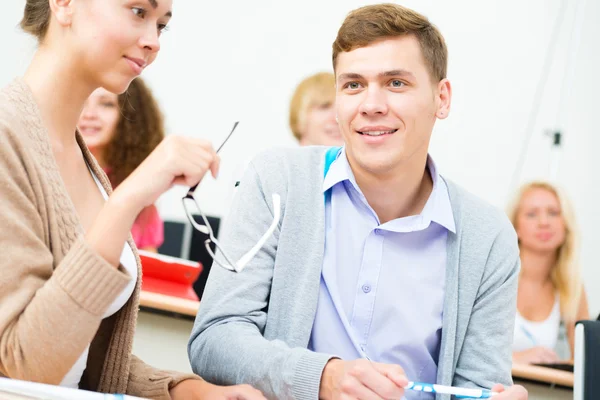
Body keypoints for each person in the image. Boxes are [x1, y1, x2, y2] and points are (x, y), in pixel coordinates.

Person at [189, 3, 527, 400]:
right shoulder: (277, 179)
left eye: (396, 83)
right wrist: (322, 378)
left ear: (442, 98)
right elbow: (215, 338)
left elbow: (479, 388)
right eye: (353, 85)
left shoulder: (487, 237)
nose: (371, 104)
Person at [0, 1, 264, 399]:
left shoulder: (82, 165)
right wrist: (128, 199)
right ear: (65, 5)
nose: (153, 41)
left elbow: (85, 361)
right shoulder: (6, 140)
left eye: (162, 26)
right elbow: (26, 367)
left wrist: (191, 392)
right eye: (139, 11)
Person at [79, 78, 165, 252]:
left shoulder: (139, 191)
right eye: (81, 102)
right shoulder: (51, 176)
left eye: (106, 104)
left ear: (129, 117)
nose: (89, 114)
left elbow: (149, 271)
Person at [508, 181, 589, 365]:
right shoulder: (495, 276)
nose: (544, 222)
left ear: (565, 224)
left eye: (553, 213)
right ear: (515, 227)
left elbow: (585, 361)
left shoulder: (572, 287)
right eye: (531, 214)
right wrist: (515, 359)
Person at [289, 72, 343, 146]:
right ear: (299, 115)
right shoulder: (275, 156)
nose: (338, 118)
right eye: (324, 106)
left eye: (342, 107)